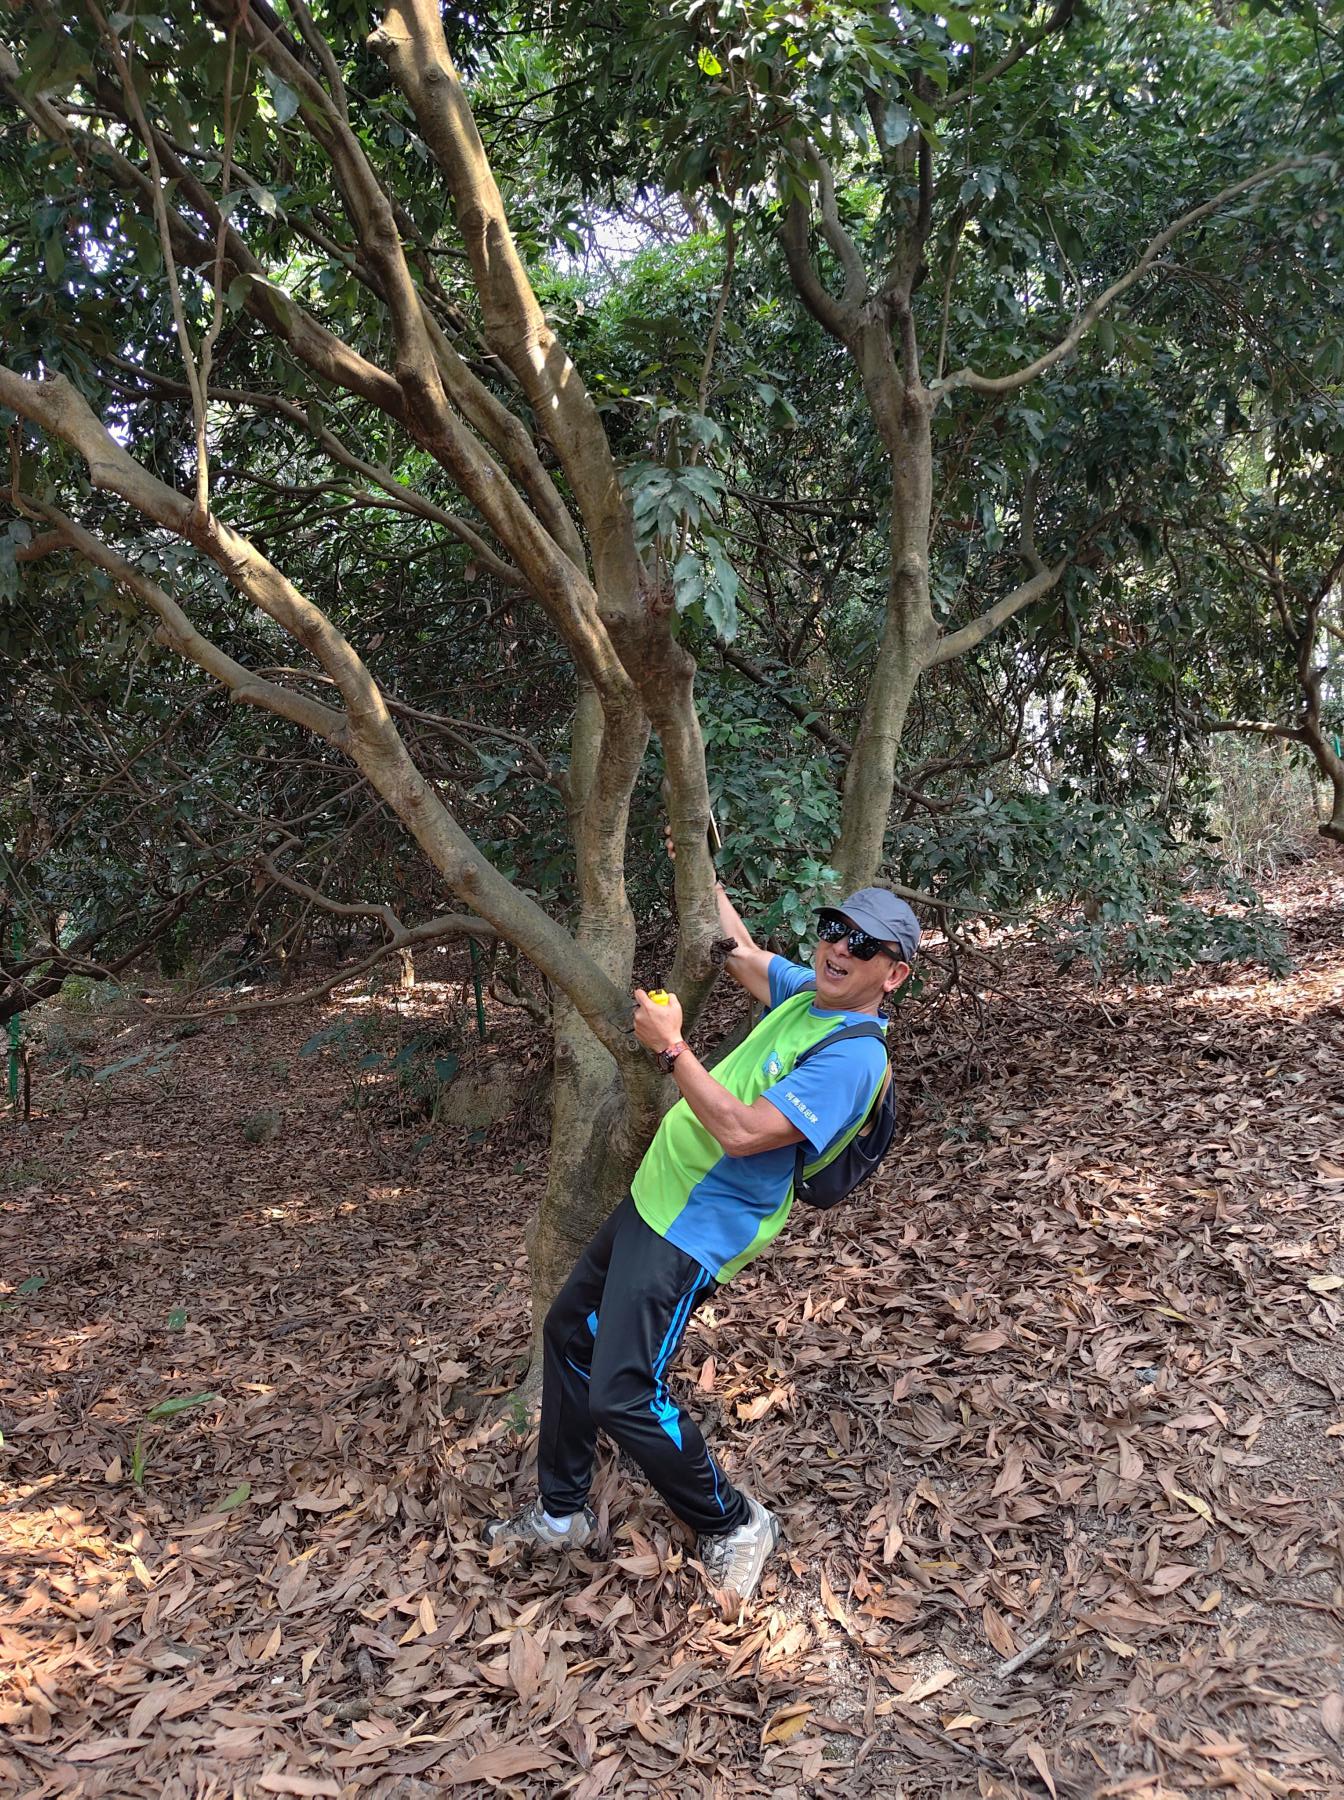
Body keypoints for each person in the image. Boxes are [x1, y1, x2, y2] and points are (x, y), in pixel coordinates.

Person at [484, 878, 919, 1600]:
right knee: (567, 1334)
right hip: (656, 1197)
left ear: (893, 974)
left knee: (623, 1393)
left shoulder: (854, 1057)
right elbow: (738, 951)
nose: (839, 947)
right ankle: (562, 1513)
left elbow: (744, 1133)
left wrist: (672, 1047)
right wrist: (699, 872)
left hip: (697, 1227)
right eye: (834, 929)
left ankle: (735, 1523)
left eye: (863, 944)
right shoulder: (809, 994)